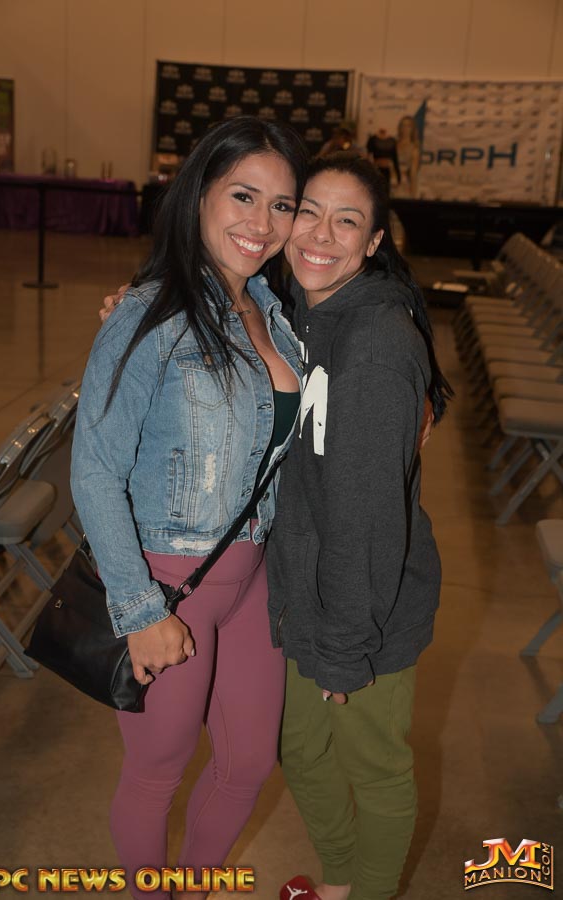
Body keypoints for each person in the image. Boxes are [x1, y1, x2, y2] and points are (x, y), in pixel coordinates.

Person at [70, 116, 308, 900]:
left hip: (253, 575)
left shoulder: (272, 310)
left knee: (248, 763)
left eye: (281, 205)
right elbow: (95, 468)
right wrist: (140, 610)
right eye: (243, 196)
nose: (261, 223)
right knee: (157, 770)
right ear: (199, 192)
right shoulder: (150, 313)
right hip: (169, 580)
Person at [266, 153, 452, 900]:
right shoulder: (301, 310)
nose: (320, 234)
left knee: (373, 768)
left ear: (374, 242)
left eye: (347, 221)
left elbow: (367, 518)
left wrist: (347, 647)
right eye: (308, 211)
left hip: (368, 608)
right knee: (300, 749)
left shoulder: (373, 343)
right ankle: (340, 879)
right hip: (306, 590)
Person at [393, 115, 420, 199]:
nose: (405, 128)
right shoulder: (393, 145)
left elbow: (413, 172)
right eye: (403, 125)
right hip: (388, 182)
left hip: (403, 185)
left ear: (412, 129)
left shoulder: (414, 148)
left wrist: (413, 192)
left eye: (408, 126)